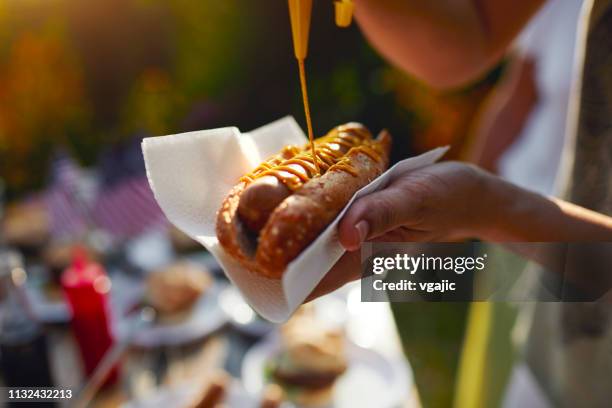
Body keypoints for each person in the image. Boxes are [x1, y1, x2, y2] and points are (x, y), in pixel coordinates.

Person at [311, 0, 612, 406]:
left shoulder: (497, 211)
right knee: (494, 368)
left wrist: (482, 208)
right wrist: (471, 206)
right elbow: (471, 46)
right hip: (528, 247)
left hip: (547, 253)